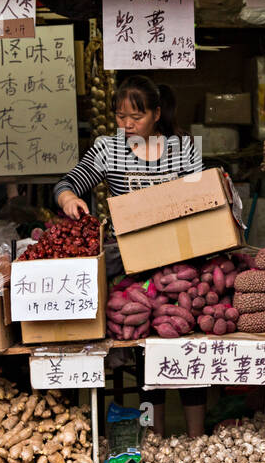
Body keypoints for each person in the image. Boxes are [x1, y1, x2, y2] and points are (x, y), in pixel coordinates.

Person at [54, 75, 206, 437]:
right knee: (143, 354)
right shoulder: (108, 148)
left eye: (134, 117)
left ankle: (196, 438)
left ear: (156, 113)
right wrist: (69, 200)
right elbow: (66, 183)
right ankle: (151, 436)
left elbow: (204, 202)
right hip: (132, 267)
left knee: (187, 347)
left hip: (181, 265)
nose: (126, 125)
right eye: (120, 117)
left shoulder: (184, 148)